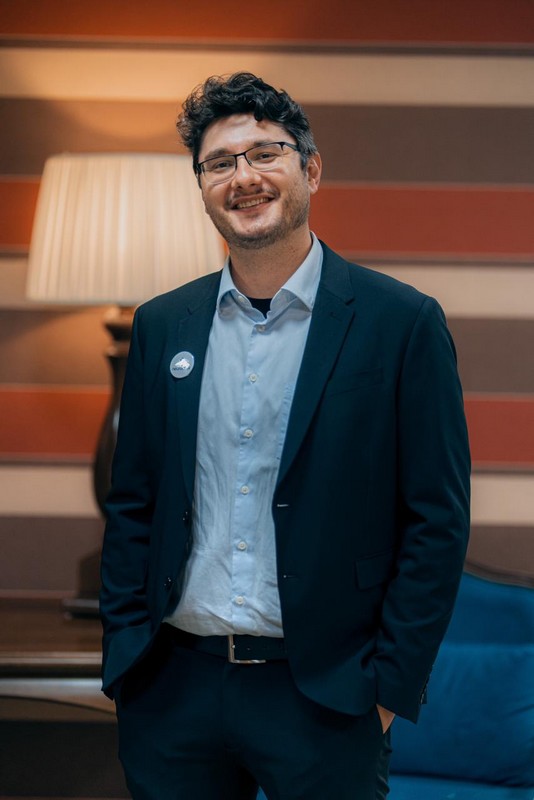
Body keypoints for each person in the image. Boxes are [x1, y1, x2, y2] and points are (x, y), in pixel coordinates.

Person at [100, 72, 471, 800]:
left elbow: (437, 519)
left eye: (265, 154)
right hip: (173, 687)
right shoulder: (162, 326)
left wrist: (387, 690)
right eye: (219, 163)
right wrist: (126, 657)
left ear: (311, 169)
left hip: (327, 697)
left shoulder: (402, 324)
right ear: (203, 188)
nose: (243, 177)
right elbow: (133, 503)